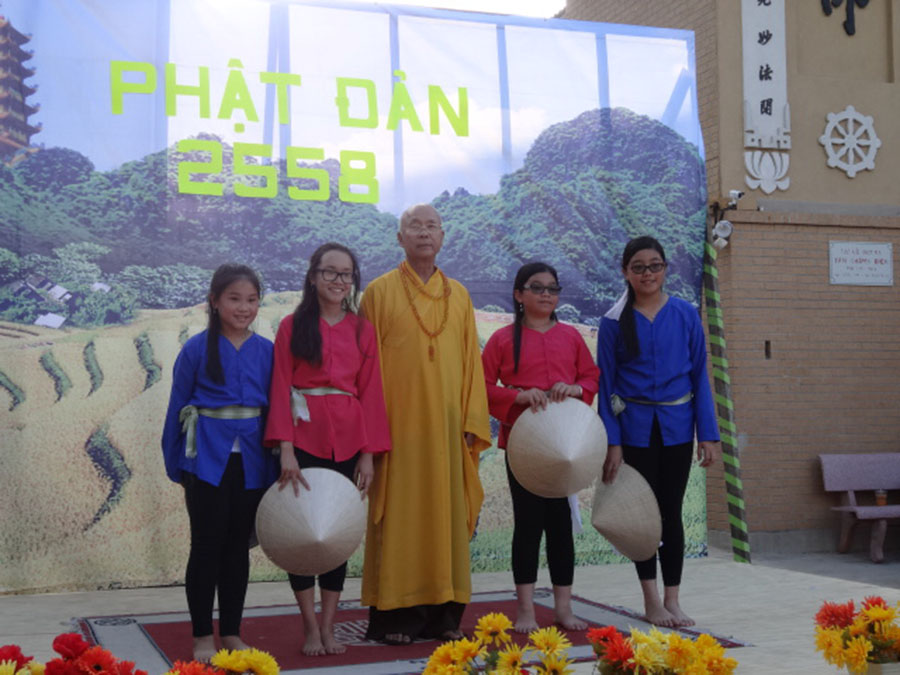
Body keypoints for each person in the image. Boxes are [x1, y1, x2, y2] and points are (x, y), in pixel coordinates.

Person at [360, 203, 492, 645]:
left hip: (448, 431)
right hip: (397, 430)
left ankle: (445, 616)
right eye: (413, 226)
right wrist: (373, 432)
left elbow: (471, 362)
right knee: (401, 518)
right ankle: (396, 617)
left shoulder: (460, 295)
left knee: (446, 519)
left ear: (442, 237)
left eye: (431, 226)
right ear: (400, 238)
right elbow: (367, 368)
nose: (423, 232)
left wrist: (471, 420)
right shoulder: (378, 293)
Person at [264, 242, 390, 656]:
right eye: (330, 272)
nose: (338, 280)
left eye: (346, 274)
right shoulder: (291, 326)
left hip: (350, 440)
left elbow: (371, 393)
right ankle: (309, 627)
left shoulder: (362, 330)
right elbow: (281, 386)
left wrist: (368, 454)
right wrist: (285, 448)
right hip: (302, 438)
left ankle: (330, 627)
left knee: (335, 531)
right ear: (313, 276)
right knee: (302, 532)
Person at [596, 236, 721, 628]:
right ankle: (651, 601)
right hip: (634, 431)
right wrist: (613, 442)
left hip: (677, 428)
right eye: (638, 267)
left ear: (665, 269)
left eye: (654, 265)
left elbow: (699, 376)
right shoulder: (613, 321)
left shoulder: (685, 314)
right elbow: (606, 385)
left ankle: (673, 600)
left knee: (671, 513)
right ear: (625, 272)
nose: (647, 273)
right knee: (643, 517)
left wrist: (708, 434)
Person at [161, 263, 276, 662]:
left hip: (254, 460)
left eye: (252, 300)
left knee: (237, 548)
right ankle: (201, 637)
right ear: (214, 301)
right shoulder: (195, 349)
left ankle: (231, 631)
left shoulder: (267, 351)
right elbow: (177, 407)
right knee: (206, 546)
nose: (244, 308)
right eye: (234, 299)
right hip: (205, 459)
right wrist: (176, 463)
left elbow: (277, 411)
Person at [481, 262, 600, 633]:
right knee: (528, 526)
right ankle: (526, 610)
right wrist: (517, 396)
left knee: (561, 527)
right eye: (537, 287)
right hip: (525, 443)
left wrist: (575, 388)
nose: (546, 294)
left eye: (552, 288)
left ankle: (564, 608)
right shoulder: (502, 340)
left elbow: (591, 377)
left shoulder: (571, 337)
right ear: (519, 294)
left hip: (565, 445)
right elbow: (481, 386)